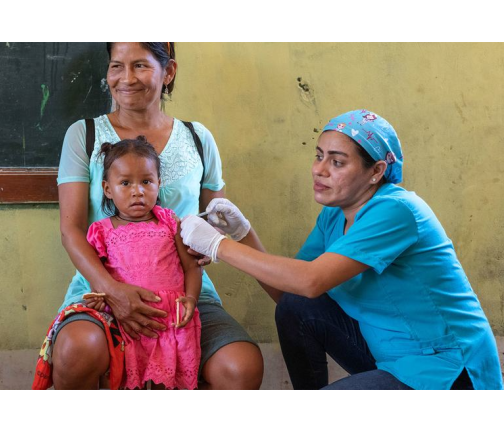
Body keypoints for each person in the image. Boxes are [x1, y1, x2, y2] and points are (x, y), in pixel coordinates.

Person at [181, 109, 504, 390]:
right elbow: (291, 293)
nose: (320, 170)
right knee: (295, 308)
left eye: (337, 162)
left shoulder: (397, 210)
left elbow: (311, 280)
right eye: (319, 155)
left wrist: (218, 245)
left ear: (376, 172)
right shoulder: (335, 214)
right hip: (387, 355)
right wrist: (243, 233)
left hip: (444, 369)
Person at [34, 42, 264, 390]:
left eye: (140, 65)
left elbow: (212, 221)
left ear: (168, 72)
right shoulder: (84, 135)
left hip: (185, 293)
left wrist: (205, 246)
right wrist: (112, 290)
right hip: (101, 288)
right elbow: (71, 230)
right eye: (116, 66)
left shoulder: (198, 138)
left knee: (241, 367)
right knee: (77, 349)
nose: (126, 78)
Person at [82, 137, 201, 389]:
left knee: (166, 384)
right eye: (125, 183)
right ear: (107, 189)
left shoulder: (169, 222)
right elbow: (100, 280)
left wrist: (191, 298)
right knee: (130, 381)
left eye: (146, 181)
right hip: (127, 319)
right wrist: (99, 297)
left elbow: (191, 266)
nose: (138, 191)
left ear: (159, 183)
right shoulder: (101, 232)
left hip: (171, 319)